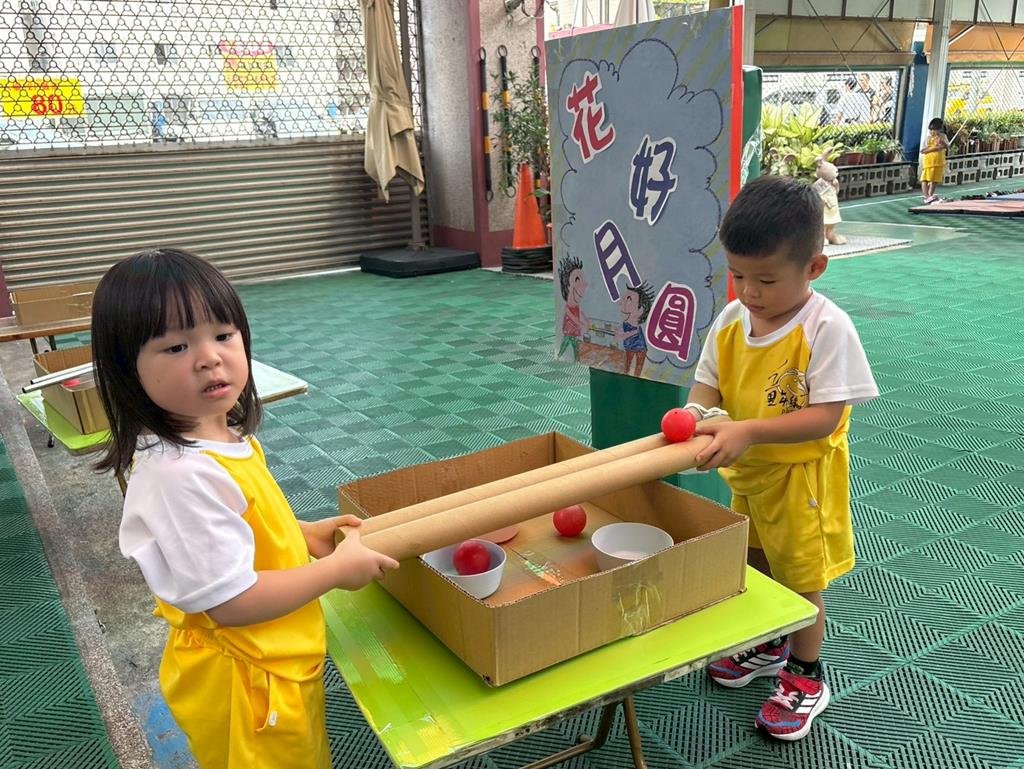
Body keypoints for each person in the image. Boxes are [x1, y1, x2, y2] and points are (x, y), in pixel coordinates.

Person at [91, 248, 399, 768]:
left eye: (223, 334)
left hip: (272, 657)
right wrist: (333, 572)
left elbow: (238, 523)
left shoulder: (219, 433)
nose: (209, 358)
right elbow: (231, 602)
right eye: (176, 346)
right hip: (246, 682)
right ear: (127, 370)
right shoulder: (179, 476)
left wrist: (300, 532)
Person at [683, 176, 878, 741]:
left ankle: (805, 675)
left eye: (766, 279)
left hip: (801, 481)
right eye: (738, 275)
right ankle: (771, 644)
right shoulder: (730, 321)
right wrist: (695, 416)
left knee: (801, 579)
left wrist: (746, 431)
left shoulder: (826, 328)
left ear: (814, 267)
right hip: (749, 474)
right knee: (755, 563)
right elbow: (707, 385)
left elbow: (825, 418)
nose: (750, 291)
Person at [919, 117, 949, 203]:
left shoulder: (943, 137)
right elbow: (923, 150)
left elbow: (946, 146)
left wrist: (942, 142)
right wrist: (934, 148)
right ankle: (926, 196)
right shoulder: (928, 138)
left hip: (939, 162)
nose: (932, 132)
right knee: (925, 179)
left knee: (935, 180)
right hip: (929, 163)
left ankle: (930, 195)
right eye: (931, 130)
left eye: (935, 130)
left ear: (940, 130)